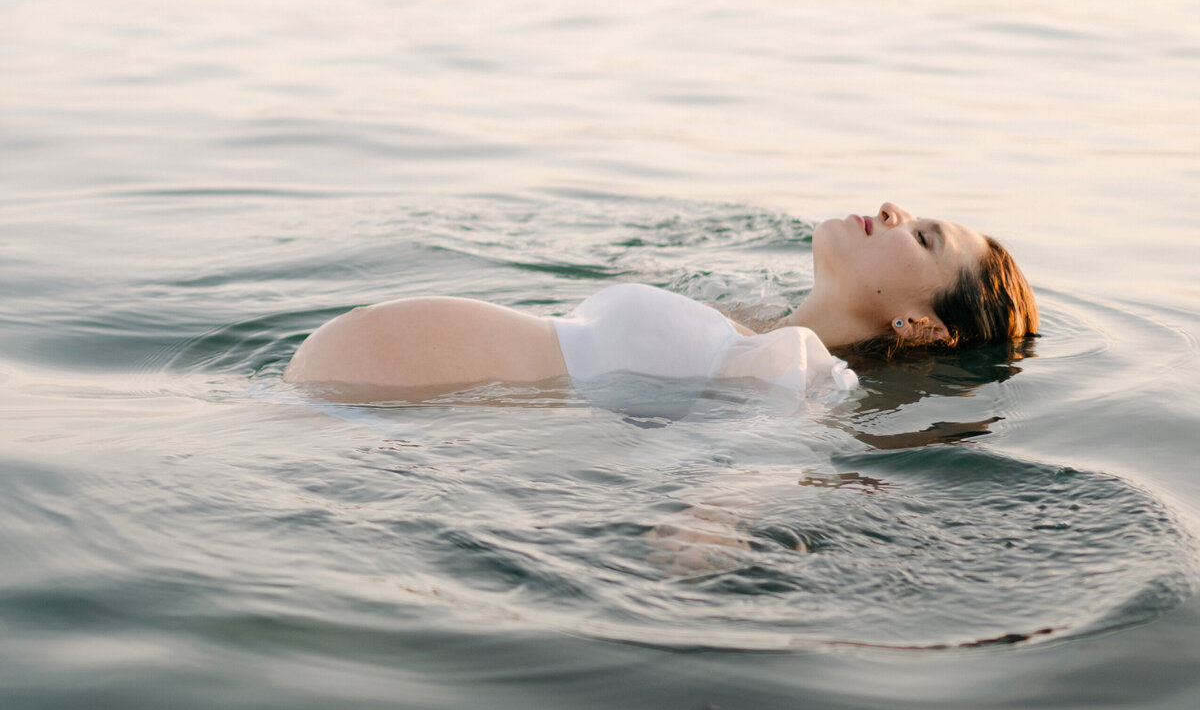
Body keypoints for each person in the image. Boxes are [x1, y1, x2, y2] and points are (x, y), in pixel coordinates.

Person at [284, 201, 1037, 400]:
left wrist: (706, 526)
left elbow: (745, 463)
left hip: (367, 423)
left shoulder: (790, 365)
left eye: (927, 240)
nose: (895, 208)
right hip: (349, 412)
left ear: (918, 324)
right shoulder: (748, 316)